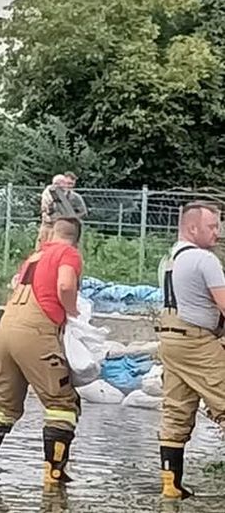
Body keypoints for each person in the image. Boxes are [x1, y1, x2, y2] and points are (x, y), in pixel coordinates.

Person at [0, 217, 83, 487]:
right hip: (36, 333)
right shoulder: (68, 253)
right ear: (77, 238)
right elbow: (65, 285)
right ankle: (54, 474)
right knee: (62, 403)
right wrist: (72, 311)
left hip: (5, 331)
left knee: (3, 404)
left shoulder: (34, 257)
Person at [155, 202, 225, 499]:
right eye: (212, 226)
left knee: (176, 411)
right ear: (192, 227)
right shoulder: (203, 259)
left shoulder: (169, 259)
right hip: (197, 341)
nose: (218, 233)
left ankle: (171, 486)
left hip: (170, 340)